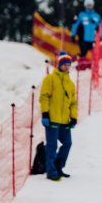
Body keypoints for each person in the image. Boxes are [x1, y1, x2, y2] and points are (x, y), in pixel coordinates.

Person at [39, 52, 77, 181]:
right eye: (64, 64)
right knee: (52, 145)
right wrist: (45, 113)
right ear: (59, 65)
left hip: (65, 120)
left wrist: (73, 117)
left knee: (67, 143)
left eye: (68, 65)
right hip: (52, 118)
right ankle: (51, 171)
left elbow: (73, 103)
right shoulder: (50, 79)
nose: (67, 67)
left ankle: (58, 167)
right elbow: (44, 97)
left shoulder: (70, 84)